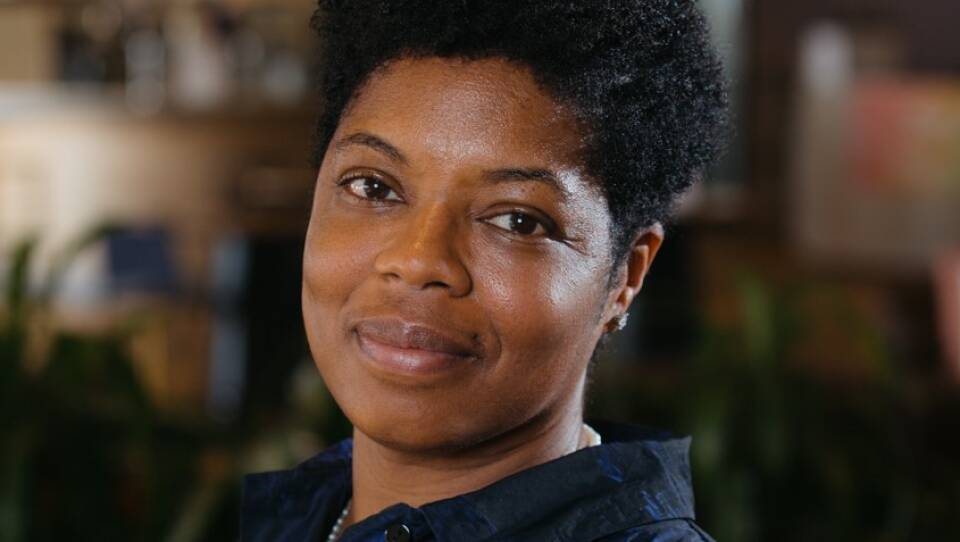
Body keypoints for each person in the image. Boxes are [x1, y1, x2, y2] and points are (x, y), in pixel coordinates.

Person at [241, 0, 728, 540]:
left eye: (518, 220)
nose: (419, 259)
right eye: (372, 186)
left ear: (624, 279)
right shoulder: (294, 518)